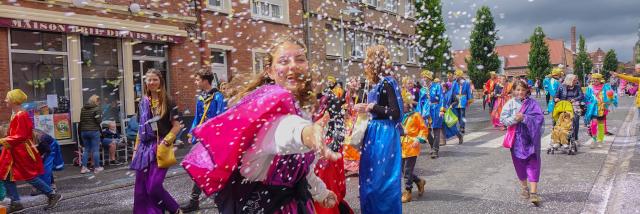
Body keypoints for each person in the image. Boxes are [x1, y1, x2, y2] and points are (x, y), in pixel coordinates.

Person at [183, 36, 339, 213]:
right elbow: (282, 133)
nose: (293, 65)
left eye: (300, 59)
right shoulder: (266, 110)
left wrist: (321, 192)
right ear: (270, 71)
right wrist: (308, 133)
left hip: (296, 203)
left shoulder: (303, 109)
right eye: (283, 61)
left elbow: (301, 169)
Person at [353, 45, 403, 213]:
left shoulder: (388, 82)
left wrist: (372, 107)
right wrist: (366, 107)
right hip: (373, 134)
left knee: (381, 183)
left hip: (385, 135)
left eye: (368, 61)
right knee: (369, 179)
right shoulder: (374, 83)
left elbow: (396, 113)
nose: (365, 64)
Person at [0, 89, 63, 212]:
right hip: (14, 150)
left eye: (8, 98)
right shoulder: (16, 114)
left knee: (29, 176)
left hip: (21, 151)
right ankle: (16, 202)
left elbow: (21, 136)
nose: (5, 100)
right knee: (6, 175)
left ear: (14, 100)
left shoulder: (21, 115)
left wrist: (2, 141)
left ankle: (52, 194)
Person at [130, 69, 183, 214]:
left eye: (155, 80)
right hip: (143, 148)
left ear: (161, 81)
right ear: (145, 83)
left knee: (154, 186)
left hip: (160, 147)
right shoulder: (142, 103)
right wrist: (135, 151)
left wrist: (166, 142)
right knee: (141, 190)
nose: (152, 82)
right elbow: (141, 129)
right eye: (149, 80)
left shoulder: (169, 101)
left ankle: (175, 209)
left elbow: (177, 126)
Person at [181, 68, 227, 213]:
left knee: (214, 170)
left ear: (205, 80)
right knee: (199, 168)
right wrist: (192, 133)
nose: (195, 82)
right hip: (202, 138)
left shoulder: (219, 97)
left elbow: (221, 117)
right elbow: (197, 117)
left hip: (214, 139)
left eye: (197, 79)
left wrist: (213, 133)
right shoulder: (200, 98)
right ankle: (194, 201)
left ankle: (222, 199)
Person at [499, 81, 545, 206]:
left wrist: (525, 118)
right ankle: (525, 188)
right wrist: (515, 119)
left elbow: (539, 119)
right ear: (513, 91)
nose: (520, 92)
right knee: (519, 164)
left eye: (522, 90)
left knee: (533, 163)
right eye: (517, 90)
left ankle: (534, 193)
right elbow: (502, 119)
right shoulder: (510, 104)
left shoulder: (533, 103)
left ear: (527, 91)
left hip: (531, 139)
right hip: (516, 140)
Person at [399, 92, 427, 203]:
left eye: (403, 104)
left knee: (407, 170)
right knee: (403, 170)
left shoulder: (416, 115)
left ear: (408, 104)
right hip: (401, 145)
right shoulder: (399, 116)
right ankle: (419, 181)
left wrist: (418, 139)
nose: (401, 106)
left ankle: (408, 192)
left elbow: (423, 129)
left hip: (412, 145)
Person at [584, 73, 618, 149]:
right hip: (593, 109)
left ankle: (600, 140)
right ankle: (594, 139)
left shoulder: (605, 87)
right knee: (593, 124)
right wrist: (589, 105)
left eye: (597, 79)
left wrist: (610, 99)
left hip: (602, 108)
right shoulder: (590, 87)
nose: (595, 80)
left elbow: (612, 96)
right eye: (593, 79)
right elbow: (586, 98)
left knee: (601, 125)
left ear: (600, 80)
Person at [417, 70, 444, 158]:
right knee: (426, 131)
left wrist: (441, 110)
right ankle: (433, 146)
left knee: (436, 130)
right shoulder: (422, 89)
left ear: (429, 78)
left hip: (435, 110)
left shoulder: (437, 86)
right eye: (423, 77)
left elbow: (441, 98)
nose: (424, 79)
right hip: (426, 112)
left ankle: (435, 150)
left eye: (425, 77)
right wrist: (419, 113)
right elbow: (420, 102)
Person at [32, 128, 64, 195]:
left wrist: (42, 157)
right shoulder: (34, 137)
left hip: (50, 147)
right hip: (44, 148)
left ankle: (47, 187)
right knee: (41, 167)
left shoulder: (42, 139)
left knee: (46, 167)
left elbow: (48, 150)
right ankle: (50, 185)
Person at [554, 74, 584, 144]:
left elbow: (581, 96)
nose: (576, 81)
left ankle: (575, 138)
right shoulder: (561, 86)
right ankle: (560, 137)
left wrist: (575, 99)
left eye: (576, 80)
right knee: (560, 120)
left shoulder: (577, 87)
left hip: (574, 105)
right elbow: (556, 96)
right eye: (574, 80)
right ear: (569, 80)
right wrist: (556, 99)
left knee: (575, 119)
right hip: (564, 106)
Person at [79, 94, 104, 174]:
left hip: (84, 131)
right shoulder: (96, 109)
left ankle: (84, 168)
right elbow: (99, 121)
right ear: (95, 101)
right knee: (95, 150)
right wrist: (100, 117)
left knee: (86, 150)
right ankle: (97, 167)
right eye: (98, 101)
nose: (99, 103)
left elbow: (81, 120)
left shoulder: (83, 109)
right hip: (93, 131)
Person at [449, 69, 473, 134]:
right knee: (457, 114)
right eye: (455, 75)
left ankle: (462, 127)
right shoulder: (454, 83)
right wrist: (450, 101)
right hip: (456, 100)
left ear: (459, 75)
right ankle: (460, 126)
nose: (455, 76)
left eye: (456, 75)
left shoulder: (466, 83)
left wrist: (469, 100)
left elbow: (468, 92)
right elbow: (451, 92)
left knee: (462, 114)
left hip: (463, 99)